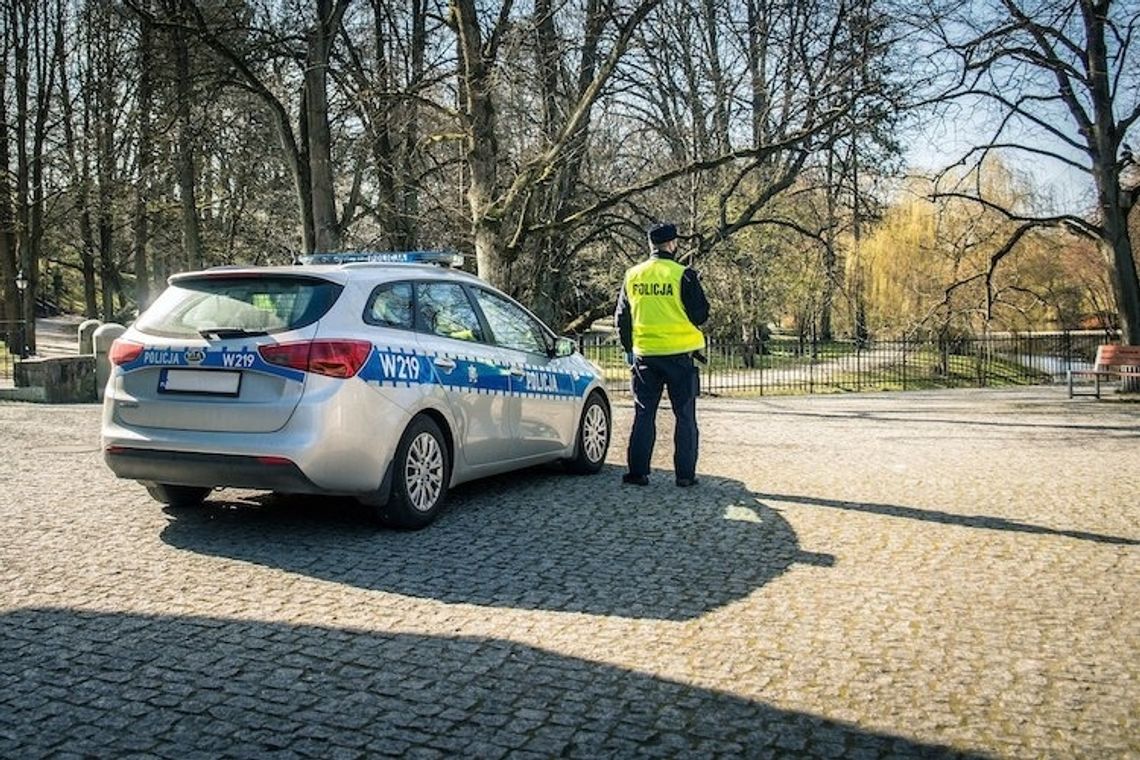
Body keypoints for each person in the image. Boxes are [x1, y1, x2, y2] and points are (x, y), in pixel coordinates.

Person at [614, 222, 710, 487]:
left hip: (645, 355)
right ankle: (685, 475)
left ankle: (637, 472)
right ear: (672, 244)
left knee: (644, 412)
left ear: (650, 245)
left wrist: (628, 347)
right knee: (685, 415)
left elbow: (622, 317)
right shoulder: (684, 275)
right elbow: (701, 314)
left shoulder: (633, 275)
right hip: (679, 355)